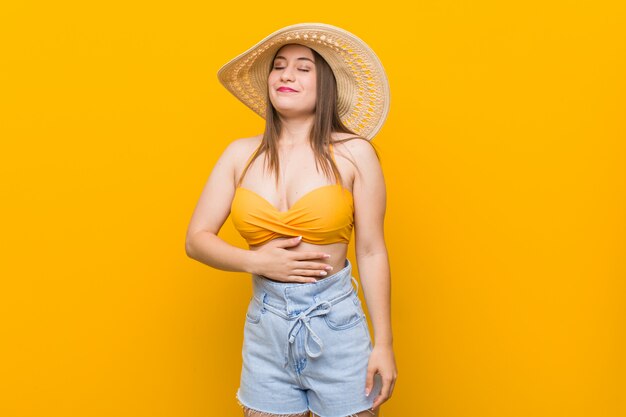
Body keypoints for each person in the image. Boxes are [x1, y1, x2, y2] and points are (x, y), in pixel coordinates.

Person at [185, 23, 397, 417]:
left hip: (337, 325)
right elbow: (196, 239)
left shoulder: (355, 153)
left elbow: (370, 251)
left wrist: (383, 344)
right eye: (279, 66)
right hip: (266, 327)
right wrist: (257, 261)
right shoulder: (239, 154)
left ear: (327, 84)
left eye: (303, 68)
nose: (286, 74)